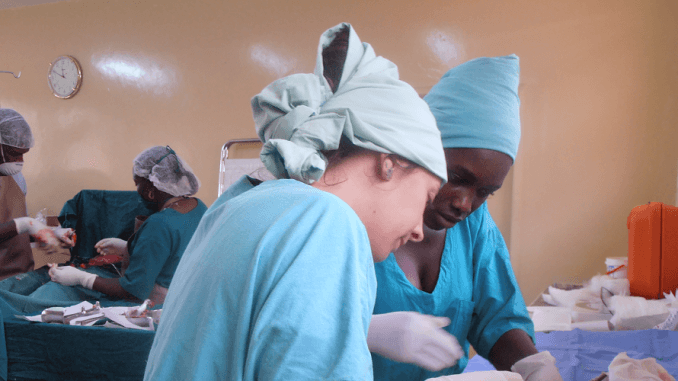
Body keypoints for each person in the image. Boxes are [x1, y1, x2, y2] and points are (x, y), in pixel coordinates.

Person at [144, 23, 452, 381]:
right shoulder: (327, 222)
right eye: (426, 197)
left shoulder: (239, 201)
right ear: (390, 162)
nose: (419, 231)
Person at [367, 55, 564, 381]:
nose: (465, 204)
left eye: (486, 191)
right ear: (417, 151)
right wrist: (363, 329)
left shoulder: (473, 224)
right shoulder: (351, 221)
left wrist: (532, 367)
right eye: (456, 176)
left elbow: (497, 315)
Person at [26, 145, 207, 306]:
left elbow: (133, 291)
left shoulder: (159, 224)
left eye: (138, 185)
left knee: (49, 296)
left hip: (157, 305)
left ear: (151, 192)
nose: (137, 192)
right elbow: (172, 251)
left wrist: (82, 278)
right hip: (188, 297)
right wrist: (128, 248)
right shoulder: (198, 207)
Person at [0, 108, 42, 279]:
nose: (20, 162)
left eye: (23, 155)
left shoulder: (16, 177)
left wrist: (44, 233)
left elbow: (13, 230)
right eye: (15, 155)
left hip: (20, 277)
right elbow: (18, 225)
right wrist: (25, 224)